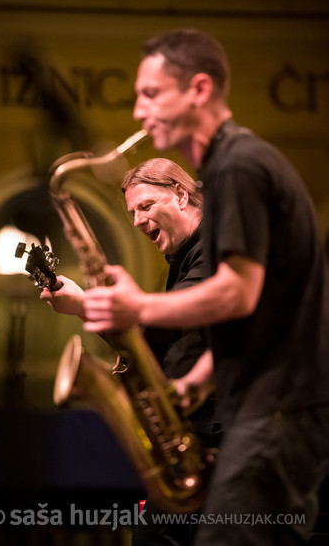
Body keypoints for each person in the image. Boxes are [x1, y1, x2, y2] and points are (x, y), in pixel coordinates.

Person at [82, 28, 329, 545]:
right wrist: (198, 380)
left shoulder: (238, 165)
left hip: (275, 416)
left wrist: (137, 306)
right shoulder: (230, 167)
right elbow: (262, 310)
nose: (137, 112)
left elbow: (237, 293)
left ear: (198, 89)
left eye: (150, 94)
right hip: (265, 414)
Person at [41, 157, 221, 546]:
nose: (137, 221)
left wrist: (86, 304)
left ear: (180, 193)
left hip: (218, 436)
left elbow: (168, 321)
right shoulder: (182, 257)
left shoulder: (216, 247)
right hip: (194, 432)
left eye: (145, 206)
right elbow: (153, 338)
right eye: (131, 213)